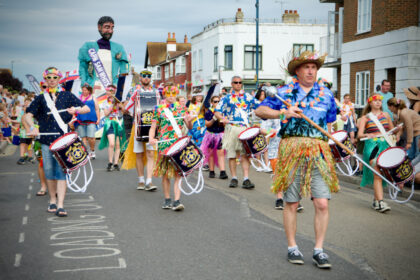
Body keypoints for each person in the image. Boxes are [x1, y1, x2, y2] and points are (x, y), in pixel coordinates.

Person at [256, 50, 338, 269]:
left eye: (314, 67)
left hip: (319, 151)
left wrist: (332, 145)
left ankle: (319, 250)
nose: (311, 71)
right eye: (306, 67)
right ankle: (292, 247)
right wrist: (283, 113)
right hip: (291, 148)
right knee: (291, 202)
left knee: (321, 202)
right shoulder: (283, 92)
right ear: (298, 71)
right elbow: (260, 110)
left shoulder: (327, 95)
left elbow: (330, 123)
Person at [24, 67, 90, 217]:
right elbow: (28, 115)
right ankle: (52, 200)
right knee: (49, 171)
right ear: (45, 80)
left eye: (54, 77)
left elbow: (86, 108)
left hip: (63, 141)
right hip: (46, 140)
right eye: (49, 78)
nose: (52, 80)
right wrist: (32, 126)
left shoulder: (67, 95)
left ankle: (60, 204)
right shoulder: (40, 98)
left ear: (59, 79)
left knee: (61, 172)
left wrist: (76, 111)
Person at [149, 85, 194, 211]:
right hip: (164, 144)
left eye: (173, 93)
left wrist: (190, 121)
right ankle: (167, 199)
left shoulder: (182, 109)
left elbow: (189, 127)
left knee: (178, 173)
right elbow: (153, 127)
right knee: (165, 174)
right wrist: (151, 138)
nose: (171, 95)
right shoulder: (158, 109)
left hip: (178, 144)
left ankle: (177, 200)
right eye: (168, 93)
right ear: (164, 94)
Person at [214, 76, 259, 189]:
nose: (238, 84)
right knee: (232, 154)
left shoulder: (248, 97)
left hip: (245, 128)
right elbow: (217, 111)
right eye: (236, 82)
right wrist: (222, 118)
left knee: (245, 154)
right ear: (232, 84)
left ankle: (246, 178)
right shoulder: (226, 98)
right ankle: (234, 178)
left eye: (240, 82)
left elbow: (260, 106)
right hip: (232, 128)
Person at [122, 69, 160, 191]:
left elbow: (160, 108)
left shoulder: (156, 92)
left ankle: (149, 181)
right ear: (140, 78)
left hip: (152, 127)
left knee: (150, 153)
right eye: (144, 76)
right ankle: (141, 180)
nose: (146, 78)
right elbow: (126, 108)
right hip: (138, 126)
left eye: (148, 76)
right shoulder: (134, 91)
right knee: (139, 154)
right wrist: (130, 110)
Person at [358, 93, 394, 213]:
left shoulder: (386, 115)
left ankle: (376, 200)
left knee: (380, 174)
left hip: (385, 146)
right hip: (372, 147)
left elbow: (392, 131)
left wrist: (397, 134)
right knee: (377, 172)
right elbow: (359, 135)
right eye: (375, 100)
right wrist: (367, 134)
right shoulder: (365, 118)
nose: (378, 102)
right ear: (370, 103)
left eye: (380, 100)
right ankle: (381, 202)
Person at [78, 16, 128, 95]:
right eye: (107, 27)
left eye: (112, 28)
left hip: (111, 91)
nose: (110, 31)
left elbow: (124, 72)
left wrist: (119, 89)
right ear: (99, 27)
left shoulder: (119, 48)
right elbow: (83, 68)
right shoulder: (88, 46)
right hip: (92, 90)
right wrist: (84, 84)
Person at [98, 85, 126, 171]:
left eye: (110, 91)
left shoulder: (118, 101)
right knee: (111, 144)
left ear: (114, 92)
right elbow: (106, 113)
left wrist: (120, 106)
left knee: (118, 145)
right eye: (107, 91)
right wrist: (112, 105)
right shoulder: (105, 103)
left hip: (118, 123)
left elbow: (124, 111)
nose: (108, 93)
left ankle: (116, 163)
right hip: (110, 123)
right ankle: (110, 162)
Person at [202, 95, 228, 179]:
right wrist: (214, 118)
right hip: (210, 135)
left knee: (220, 153)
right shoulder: (209, 112)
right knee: (211, 153)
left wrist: (222, 120)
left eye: (218, 101)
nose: (217, 103)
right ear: (212, 103)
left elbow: (225, 124)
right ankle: (212, 171)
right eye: (215, 101)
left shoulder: (222, 112)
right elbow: (207, 124)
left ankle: (222, 172)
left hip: (220, 134)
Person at [76, 85, 99, 159]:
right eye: (83, 90)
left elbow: (97, 109)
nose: (84, 91)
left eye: (85, 90)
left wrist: (98, 119)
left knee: (91, 137)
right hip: (80, 120)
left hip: (91, 119)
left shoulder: (93, 98)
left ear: (89, 91)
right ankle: (86, 153)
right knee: (83, 137)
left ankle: (92, 150)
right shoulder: (79, 98)